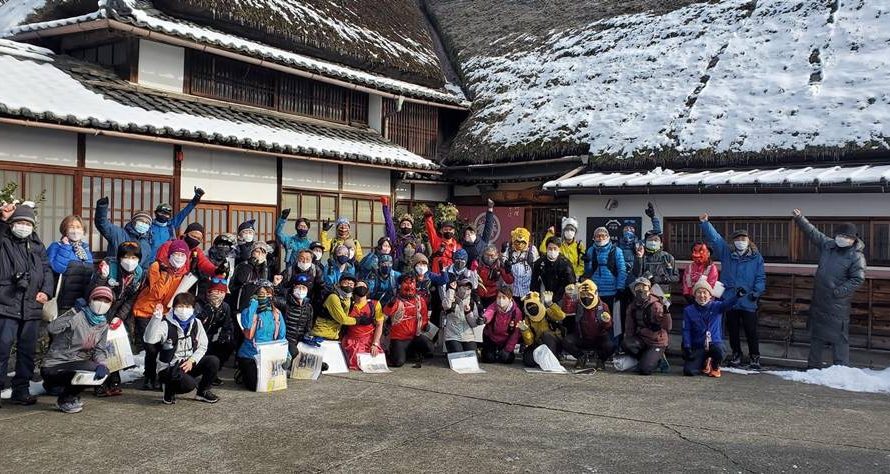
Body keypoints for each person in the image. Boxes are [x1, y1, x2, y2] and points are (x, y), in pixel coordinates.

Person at [792, 210, 867, 369]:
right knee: (816, 336)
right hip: (820, 301)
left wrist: (839, 292)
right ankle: (813, 369)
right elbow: (813, 233)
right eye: (840, 235)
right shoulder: (828, 246)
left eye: (846, 237)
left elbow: (857, 279)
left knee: (839, 338)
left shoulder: (856, 256)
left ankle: (841, 371)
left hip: (838, 304)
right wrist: (800, 219)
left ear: (853, 239)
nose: (842, 238)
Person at [0, 203, 52, 406]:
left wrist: (46, 291)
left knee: (27, 351)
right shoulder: (4, 240)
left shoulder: (37, 245)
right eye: (19, 222)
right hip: (6, 303)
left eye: (27, 223)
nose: (23, 226)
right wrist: (3, 219)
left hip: (31, 305)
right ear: (12, 224)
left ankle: (21, 390)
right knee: (2, 348)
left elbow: (47, 270)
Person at [700, 213, 766, 369]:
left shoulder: (756, 257)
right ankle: (736, 355)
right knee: (733, 330)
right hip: (730, 299)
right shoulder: (726, 253)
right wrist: (705, 223)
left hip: (749, 299)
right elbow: (715, 239)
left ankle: (754, 357)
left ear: (748, 241)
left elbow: (761, 277)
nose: (740, 242)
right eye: (737, 239)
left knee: (751, 331)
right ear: (733, 242)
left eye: (743, 239)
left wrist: (756, 293)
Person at [131, 239, 192, 391]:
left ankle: (161, 376)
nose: (179, 257)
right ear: (170, 254)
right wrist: (166, 274)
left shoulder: (184, 274)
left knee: (165, 346)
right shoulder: (157, 266)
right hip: (146, 311)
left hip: (166, 313)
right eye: (176, 254)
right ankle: (149, 378)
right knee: (151, 347)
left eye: (182, 255)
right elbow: (156, 293)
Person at [41, 286, 111, 413]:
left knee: (103, 371)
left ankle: (70, 393)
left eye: (106, 301)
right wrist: (73, 311)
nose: (102, 304)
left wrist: (102, 364)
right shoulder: (78, 316)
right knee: (84, 372)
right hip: (55, 363)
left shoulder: (103, 324)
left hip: (77, 362)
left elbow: (99, 350)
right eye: (98, 299)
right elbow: (52, 328)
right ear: (91, 300)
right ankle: (65, 398)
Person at [90, 241, 145, 397]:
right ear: (119, 257)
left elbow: (131, 298)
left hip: (118, 311)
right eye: (126, 256)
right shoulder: (109, 266)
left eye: (134, 257)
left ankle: (114, 379)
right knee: (98, 346)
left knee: (115, 346)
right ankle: (99, 382)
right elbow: (94, 290)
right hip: (100, 308)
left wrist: (120, 317)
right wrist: (102, 276)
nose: (130, 260)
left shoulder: (139, 273)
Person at [144, 292, 220, 404]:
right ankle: (168, 390)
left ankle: (202, 392)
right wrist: (156, 319)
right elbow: (149, 339)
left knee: (213, 361)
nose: (184, 310)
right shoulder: (166, 324)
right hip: (169, 367)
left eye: (188, 307)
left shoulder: (196, 323)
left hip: (188, 363)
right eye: (180, 306)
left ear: (193, 309)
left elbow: (203, 345)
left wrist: (192, 360)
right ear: (174, 308)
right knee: (189, 384)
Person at [682, 280, 742, 378]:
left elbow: (727, 304)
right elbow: (686, 330)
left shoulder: (717, 306)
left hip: (714, 343)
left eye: (704, 292)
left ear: (710, 295)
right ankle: (705, 363)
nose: (702, 295)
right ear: (694, 295)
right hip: (698, 345)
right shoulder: (688, 310)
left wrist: (738, 296)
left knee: (719, 351)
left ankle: (715, 366)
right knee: (689, 371)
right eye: (699, 292)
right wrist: (687, 346)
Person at [237, 283, 286, 391]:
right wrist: (254, 305)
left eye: (268, 293)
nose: (265, 296)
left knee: (270, 384)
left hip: (268, 355)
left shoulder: (276, 313)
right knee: (255, 386)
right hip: (250, 354)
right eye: (261, 293)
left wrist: (286, 355)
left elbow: (282, 336)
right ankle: (244, 372)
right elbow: (247, 325)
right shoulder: (248, 311)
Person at [622, 278, 671, 375]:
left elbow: (667, 326)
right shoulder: (632, 306)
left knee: (645, 370)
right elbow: (629, 326)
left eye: (644, 286)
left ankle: (658, 359)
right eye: (638, 287)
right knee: (626, 344)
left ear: (649, 289)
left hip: (657, 341)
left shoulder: (656, 305)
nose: (641, 290)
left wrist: (665, 314)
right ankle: (646, 357)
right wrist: (628, 339)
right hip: (642, 338)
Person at [47, 215, 95, 313]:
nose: (75, 230)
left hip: (82, 304)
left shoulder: (85, 250)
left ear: (83, 230)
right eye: (71, 227)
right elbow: (57, 269)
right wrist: (66, 247)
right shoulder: (56, 246)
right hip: (61, 304)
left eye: (78, 227)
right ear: (65, 230)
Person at [384, 274, 433, 367]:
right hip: (399, 338)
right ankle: (394, 351)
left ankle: (410, 352)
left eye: (412, 282)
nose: (409, 285)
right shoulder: (397, 300)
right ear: (400, 285)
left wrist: (425, 325)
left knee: (430, 348)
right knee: (398, 362)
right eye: (406, 283)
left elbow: (424, 316)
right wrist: (391, 303)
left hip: (414, 336)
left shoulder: (419, 300)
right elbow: (386, 312)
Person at [562, 281, 615, 369]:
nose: (586, 297)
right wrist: (568, 296)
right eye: (583, 294)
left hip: (598, 339)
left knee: (610, 346)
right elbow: (567, 311)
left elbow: (609, 327)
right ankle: (581, 356)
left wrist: (607, 321)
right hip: (582, 337)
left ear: (595, 293)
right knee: (566, 341)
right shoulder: (578, 304)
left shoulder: (603, 306)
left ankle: (601, 359)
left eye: (589, 294)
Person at [94, 197, 153, 268]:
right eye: (141, 221)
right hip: (114, 275)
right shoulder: (118, 234)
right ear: (133, 222)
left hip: (133, 278)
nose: (143, 224)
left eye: (146, 223)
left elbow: (145, 267)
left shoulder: (146, 245)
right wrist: (102, 207)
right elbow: (102, 224)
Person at [148, 187, 204, 260]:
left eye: (167, 214)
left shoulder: (171, 226)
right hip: (150, 262)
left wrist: (195, 200)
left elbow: (184, 213)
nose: (164, 216)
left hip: (167, 262)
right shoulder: (148, 226)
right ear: (156, 213)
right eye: (161, 213)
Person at [341, 281, 385, 370]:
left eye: (363, 286)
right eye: (358, 286)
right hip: (351, 341)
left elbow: (379, 325)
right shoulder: (348, 304)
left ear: (367, 289)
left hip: (369, 341)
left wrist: (375, 343)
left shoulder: (375, 304)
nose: (361, 287)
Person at [196, 280, 234, 382]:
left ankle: (213, 373)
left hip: (213, 335)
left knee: (227, 345)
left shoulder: (225, 307)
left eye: (222, 292)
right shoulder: (199, 305)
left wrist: (225, 335)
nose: (218, 295)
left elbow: (227, 324)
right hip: (198, 336)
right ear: (209, 291)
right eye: (216, 291)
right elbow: (194, 324)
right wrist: (205, 314)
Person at [628, 230, 679, 306]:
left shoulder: (668, 257)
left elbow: (676, 278)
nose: (653, 242)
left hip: (663, 295)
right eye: (650, 240)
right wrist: (639, 258)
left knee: (661, 315)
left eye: (656, 240)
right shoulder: (641, 256)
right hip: (644, 295)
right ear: (645, 242)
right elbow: (636, 274)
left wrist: (659, 279)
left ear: (661, 243)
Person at [518, 291, 566, 368]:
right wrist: (525, 331)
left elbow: (562, 316)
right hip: (539, 343)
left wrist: (551, 304)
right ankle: (542, 359)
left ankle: (553, 357)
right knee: (528, 360)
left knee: (546, 335)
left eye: (534, 305)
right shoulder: (527, 320)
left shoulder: (547, 312)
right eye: (529, 307)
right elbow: (529, 342)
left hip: (553, 341)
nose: (532, 308)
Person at [584, 227, 627, 311]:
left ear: (608, 237)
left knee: (609, 319)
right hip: (595, 291)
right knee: (595, 318)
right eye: (598, 236)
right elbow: (588, 272)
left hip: (611, 291)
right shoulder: (590, 250)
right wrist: (587, 263)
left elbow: (622, 270)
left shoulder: (616, 251)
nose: (600, 238)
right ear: (594, 238)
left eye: (603, 236)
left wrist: (620, 288)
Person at [310, 272, 359, 341]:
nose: (348, 286)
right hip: (321, 334)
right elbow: (342, 319)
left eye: (351, 284)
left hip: (333, 334)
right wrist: (358, 320)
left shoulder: (348, 298)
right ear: (339, 284)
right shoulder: (333, 297)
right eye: (345, 283)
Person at [481, 286, 523, 364]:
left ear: (510, 299)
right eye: (499, 297)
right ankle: (491, 352)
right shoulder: (494, 306)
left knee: (507, 359)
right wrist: (484, 318)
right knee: (488, 358)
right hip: (491, 337)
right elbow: (489, 312)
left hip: (505, 339)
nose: (500, 300)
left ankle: (501, 352)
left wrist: (508, 349)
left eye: (504, 297)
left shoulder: (517, 313)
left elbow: (515, 333)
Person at [230, 241, 276, 311]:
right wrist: (251, 264)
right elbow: (241, 280)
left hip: (258, 304)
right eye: (257, 251)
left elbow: (265, 285)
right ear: (252, 252)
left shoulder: (265, 268)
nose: (260, 254)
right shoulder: (244, 265)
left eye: (263, 252)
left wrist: (274, 284)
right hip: (241, 303)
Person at [441, 277, 483, 353]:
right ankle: (450, 354)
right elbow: (446, 306)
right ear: (458, 287)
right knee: (458, 354)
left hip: (468, 337)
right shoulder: (450, 298)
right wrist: (451, 289)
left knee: (471, 357)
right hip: (452, 335)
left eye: (469, 288)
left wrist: (469, 313)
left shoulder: (472, 302)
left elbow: (473, 324)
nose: (466, 290)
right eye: (464, 287)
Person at [532, 237, 577, 304]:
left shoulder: (565, 263)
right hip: (544, 294)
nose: (552, 251)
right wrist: (535, 296)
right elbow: (534, 281)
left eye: (555, 248)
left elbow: (571, 282)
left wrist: (557, 298)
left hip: (561, 297)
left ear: (559, 249)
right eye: (550, 248)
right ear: (546, 249)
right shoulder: (539, 262)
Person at [382, 196, 426, 263]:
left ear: (411, 227)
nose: (406, 226)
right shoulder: (395, 238)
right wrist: (385, 207)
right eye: (403, 224)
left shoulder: (416, 241)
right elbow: (389, 224)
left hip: (412, 268)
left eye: (408, 225)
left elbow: (420, 256)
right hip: (397, 267)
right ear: (400, 226)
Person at [618, 202, 662, 269]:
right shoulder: (616, 244)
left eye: (631, 228)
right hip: (620, 272)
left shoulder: (640, 243)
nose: (628, 230)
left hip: (635, 272)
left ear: (635, 231)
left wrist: (653, 217)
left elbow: (656, 232)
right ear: (622, 230)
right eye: (626, 228)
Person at [283, 273, 314, 359]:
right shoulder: (286, 303)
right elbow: (272, 298)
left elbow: (309, 326)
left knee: (312, 354)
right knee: (295, 354)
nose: (300, 290)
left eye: (303, 288)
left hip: (301, 339)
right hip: (287, 339)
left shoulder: (308, 307)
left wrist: (308, 336)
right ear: (293, 289)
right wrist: (276, 285)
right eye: (298, 287)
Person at [424, 206, 462, 274]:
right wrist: (428, 218)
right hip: (437, 276)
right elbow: (431, 230)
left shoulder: (457, 246)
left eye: (450, 230)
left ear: (453, 231)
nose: (448, 231)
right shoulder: (436, 241)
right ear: (441, 231)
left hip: (451, 277)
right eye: (445, 229)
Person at [503, 227, 538, 300]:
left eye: (523, 242)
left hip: (527, 290)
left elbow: (537, 264)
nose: (520, 244)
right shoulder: (509, 249)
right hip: (512, 290)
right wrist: (506, 264)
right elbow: (503, 259)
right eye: (517, 242)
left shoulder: (532, 250)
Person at [198, 233, 236, 298]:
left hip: (222, 293)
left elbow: (230, 279)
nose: (224, 248)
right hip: (204, 293)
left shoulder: (229, 261)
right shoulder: (204, 257)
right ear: (215, 245)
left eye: (227, 246)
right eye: (221, 245)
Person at [461, 198, 496, 266]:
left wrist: (490, 210)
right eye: (467, 234)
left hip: (483, 270)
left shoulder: (483, 241)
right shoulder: (463, 247)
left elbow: (488, 227)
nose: (469, 235)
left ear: (475, 233)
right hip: (470, 273)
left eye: (471, 233)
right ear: (464, 237)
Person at [477, 244, 513, 308]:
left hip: (493, 294)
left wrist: (508, 272)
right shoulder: (478, 263)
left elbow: (509, 281)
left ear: (496, 255)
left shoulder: (499, 264)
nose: (489, 258)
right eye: (487, 255)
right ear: (483, 254)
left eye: (492, 255)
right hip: (480, 293)